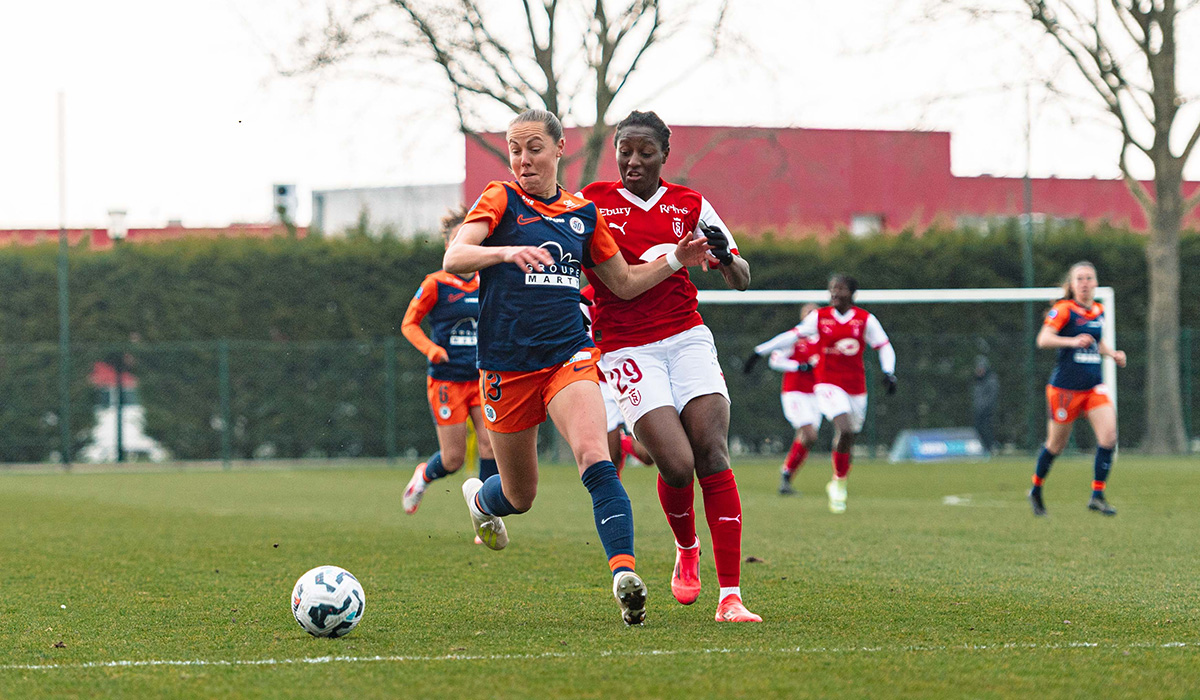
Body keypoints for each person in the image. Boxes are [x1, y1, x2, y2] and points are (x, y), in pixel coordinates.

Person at [443, 108, 711, 625]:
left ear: (560, 148)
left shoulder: (583, 213)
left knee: (594, 454)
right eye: (516, 149)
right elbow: (455, 256)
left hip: (569, 355)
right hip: (507, 365)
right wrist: (505, 254)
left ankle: (624, 575)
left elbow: (625, 282)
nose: (523, 159)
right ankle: (482, 502)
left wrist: (677, 258)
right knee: (520, 496)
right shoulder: (500, 198)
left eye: (534, 148)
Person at [581, 110, 761, 623]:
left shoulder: (691, 204)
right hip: (626, 347)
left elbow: (743, 278)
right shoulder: (594, 202)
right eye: (625, 151)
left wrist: (727, 258)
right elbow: (599, 275)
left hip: (686, 339)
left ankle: (731, 597)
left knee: (712, 453)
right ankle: (687, 547)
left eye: (645, 152)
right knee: (677, 465)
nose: (633, 161)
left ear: (665, 153)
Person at [747, 274, 897, 514]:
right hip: (827, 384)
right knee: (843, 428)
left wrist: (889, 372)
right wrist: (759, 351)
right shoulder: (819, 318)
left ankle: (838, 480)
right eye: (832, 289)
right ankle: (803, 478)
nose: (835, 294)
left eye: (840, 289)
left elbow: (884, 346)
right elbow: (790, 336)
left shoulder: (864, 320)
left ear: (852, 293)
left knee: (849, 435)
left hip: (856, 387)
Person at [400, 207, 497, 528]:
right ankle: (424, 475)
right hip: (447, 381)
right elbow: (409, 324)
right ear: (449, 247)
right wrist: (432, 348)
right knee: (453, 459)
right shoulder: (436, 284)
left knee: (490, 446)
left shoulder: (488, 282)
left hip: (482, 377)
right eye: (459, 239)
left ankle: (486, 517)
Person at [1028, 261, 1126, 517]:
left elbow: (1097, 341)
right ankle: (1036, 489)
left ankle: (1097, 495)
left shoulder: (1099, 310)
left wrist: (1112, 354)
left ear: (1095, 283)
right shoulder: (1064, 310)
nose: (1084, 283)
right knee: (1055, 445)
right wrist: (1072, 341)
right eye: (1079, 279)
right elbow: (1043, 339)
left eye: (1089, 278)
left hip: (1093, 387)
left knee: (1109, 436)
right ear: (1072, 285)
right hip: (1065, 390)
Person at [580, 284, 655, 478]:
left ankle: (624, 441)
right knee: (609, 459)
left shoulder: (635, 289)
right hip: (602, 383)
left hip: (632, 377)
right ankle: (617, 507)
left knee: (649, 455)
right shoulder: (585, 300)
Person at [749, 303, 821, 496]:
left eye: (815, 312)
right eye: (808, 313)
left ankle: (787, 476)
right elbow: (775, 361)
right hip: (795, 392)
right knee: (810, 434)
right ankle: (786, 475)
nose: (812, 316)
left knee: (807, 439)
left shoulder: (824, 340)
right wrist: (799, 366)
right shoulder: (795, 338)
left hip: (816, 394)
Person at [972, 355, 999, 455]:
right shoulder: (978, 382)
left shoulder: (991, 380)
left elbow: (991, 398)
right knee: (979, 429)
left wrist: (984, 408)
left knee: (987, 429)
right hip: (979, 412)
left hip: (987, 412)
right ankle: (985, 448)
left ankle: (990, 448)